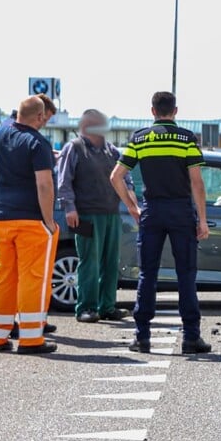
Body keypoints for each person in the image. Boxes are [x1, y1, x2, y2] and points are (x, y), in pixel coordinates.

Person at [110, 91, 212, 354]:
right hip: (180, 210)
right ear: (175, 111)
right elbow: (197, 183)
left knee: (148, 274)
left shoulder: (140, 139)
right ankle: (191, 338)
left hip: (152, 211)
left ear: (153, 111)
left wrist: (133, 207)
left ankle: (142, 337)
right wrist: (202, 220)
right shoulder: (187, 139)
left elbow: (116, 177)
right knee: (186, 275)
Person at [0, 96, 59, 353]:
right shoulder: (37, 143)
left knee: (3, 277)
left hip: (2, 217)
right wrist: (49, 220)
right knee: (33, 279)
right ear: (40, 116)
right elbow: (44, 184)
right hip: (31, 219)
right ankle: (31, 339)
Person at [56, 109, 131, 324]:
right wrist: (69, 208)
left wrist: (131, 202)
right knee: (89, 262)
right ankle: (86, 308)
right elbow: (64, 181)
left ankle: (107, 306)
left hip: (111, 214)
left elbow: (126, 178)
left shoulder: (111, 150)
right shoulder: (74, 148)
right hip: (85, 215)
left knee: (110, 261)